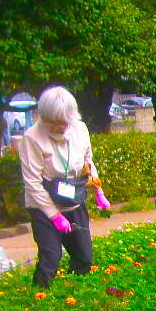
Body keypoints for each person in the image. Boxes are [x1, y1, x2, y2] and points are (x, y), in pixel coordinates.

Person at [19, 86, 110, 287]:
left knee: (84, 258)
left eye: (64, 122)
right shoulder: (32, 138)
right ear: (44, 118)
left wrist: (98, 190)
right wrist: (55, 216)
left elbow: (88, 161)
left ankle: (73, 295)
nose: (61, 127)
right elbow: (33, 182)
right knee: (51, 258)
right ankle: (38, 298)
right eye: (54, 123)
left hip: (73, 201)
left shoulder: (80, 129)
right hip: (43, 204)